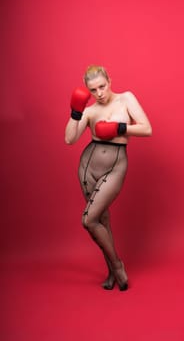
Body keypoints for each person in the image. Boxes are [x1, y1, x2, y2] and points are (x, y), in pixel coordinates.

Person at [65, 65, 152, 291]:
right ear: (88, 91)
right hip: (88, 167)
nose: (100, 93)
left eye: (102, 86)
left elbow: (146, 128)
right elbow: (69, 139)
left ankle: (117, 265)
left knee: (89, 219)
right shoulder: (90, 111)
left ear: (110, 81)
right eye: (93, 90)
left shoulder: (126, 99)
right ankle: (112, 272)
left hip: (115, 166)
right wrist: (75, 112)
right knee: (101, 220)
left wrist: (118, 128)